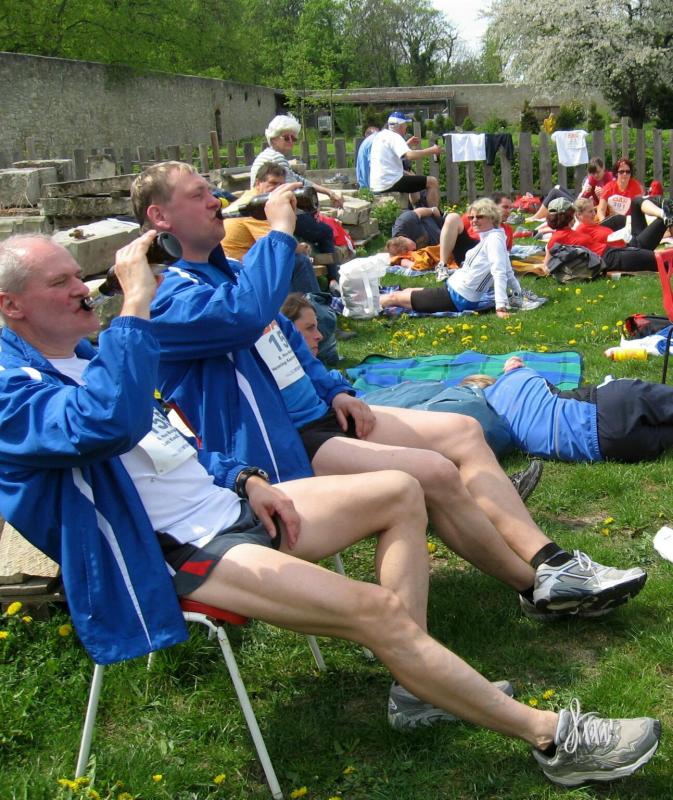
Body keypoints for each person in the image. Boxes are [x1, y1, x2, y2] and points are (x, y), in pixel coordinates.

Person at [0, 236, 660, 787]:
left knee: (401, 489)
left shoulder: (84, 356)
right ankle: (552, 738)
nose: (82, 288)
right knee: (375, 611)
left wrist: (243, 477)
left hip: (228, 507)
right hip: (173, 550)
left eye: (77, 275)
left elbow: (170, 437)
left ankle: (416, 686)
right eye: (61, 282)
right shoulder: (12, 388)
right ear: (12, 305)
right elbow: (103, 426)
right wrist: (135, 309)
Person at [134, 162, 645, 624]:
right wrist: (281, 231)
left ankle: (551, 561)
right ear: (160, 216)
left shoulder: (230, 273)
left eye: (210, 191)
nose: (215, 200)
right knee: (434, 472)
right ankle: (537, 587)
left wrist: (336, 389)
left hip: (322, 415)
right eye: (198, 194)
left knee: (464, 430)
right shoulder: (168, 301)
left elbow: (290, 345)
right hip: (285, 444)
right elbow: (246, 317)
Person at [463, 356, 673, 463]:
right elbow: (528, 374)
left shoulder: (499, 432)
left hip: (609, 447)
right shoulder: (514, 377)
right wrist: (514, 367)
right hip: (608, 405)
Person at [381, 199, 545, 316]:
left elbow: (500, 272)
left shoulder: (494, 240)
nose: (474, 221)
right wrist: (517, 294)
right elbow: (508, 270)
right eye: (472, 217)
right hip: (452, 290)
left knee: (393, 298)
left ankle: (366, 309)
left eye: (479, 217)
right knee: (406, 291)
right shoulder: (492, 236)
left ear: (492, 218)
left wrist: (500, 307)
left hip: (458, 298)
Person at [250, 114, 344, 294]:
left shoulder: (268, 156)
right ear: (273, 137)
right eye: (286, 137)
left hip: (268, 207)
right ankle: (333, 280)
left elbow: (299, 181)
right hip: (275, 212)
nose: (291, 141)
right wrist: (315, 208)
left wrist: (327, 191)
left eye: (293, 138)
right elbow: (295, 191)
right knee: (325, 231)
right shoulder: (277, 159)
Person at [222, 162, 320, 294]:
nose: (277, 189)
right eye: (273, 183)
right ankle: (315, 303)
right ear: (258, 183)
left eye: (281, 185)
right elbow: (276, 245)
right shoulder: (255, 206)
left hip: (243, 260)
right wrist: (300, 248)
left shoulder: (252, 198)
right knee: (298, 260)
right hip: (238, 267)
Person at [543, 196, 669, 273]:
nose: (573, 217)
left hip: (614, 252)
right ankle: (667, 212)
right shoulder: (559, 236)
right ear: (566, 216)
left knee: (658, 259)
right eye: (571, 214)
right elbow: (547, 263)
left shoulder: (570, 232)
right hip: (609, 258)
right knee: (660, 260)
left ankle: (666, 212)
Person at [369, 111, 441, 207]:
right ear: (401, 126)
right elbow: (410, 155)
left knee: (411, 177)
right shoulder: (395, 137)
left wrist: (406, 144)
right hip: (390, 183)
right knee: (432, 182)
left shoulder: (381, 135)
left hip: (377, 183)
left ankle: (418, 208)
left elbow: (391, 154)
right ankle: (433, 212)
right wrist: (432, 150)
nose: (406, 127)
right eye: (405, 125)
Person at [435, 192, 515, 279]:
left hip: (486, 259)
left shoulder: (507, 230)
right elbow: (453, 230)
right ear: (494, 207)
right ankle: (442, 266)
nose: (508, 211)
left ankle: (466, 269)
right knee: (452, 217)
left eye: (510, 208)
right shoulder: (474, 217)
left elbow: (506, 254)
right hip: (468, 250)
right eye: (505, 207)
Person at [528, 158, 615, 221]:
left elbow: (613, 200)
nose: (595, 175)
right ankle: (538, 215)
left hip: (592, 208)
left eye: (598, 172)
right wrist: (586, 192)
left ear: (603, 168)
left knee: (555, 191)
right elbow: (582, 198)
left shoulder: (610, 178)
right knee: (557, 187)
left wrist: (603, 194)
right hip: (583, 205)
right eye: (593, 173)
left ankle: (536, 216)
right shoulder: (592, 179)